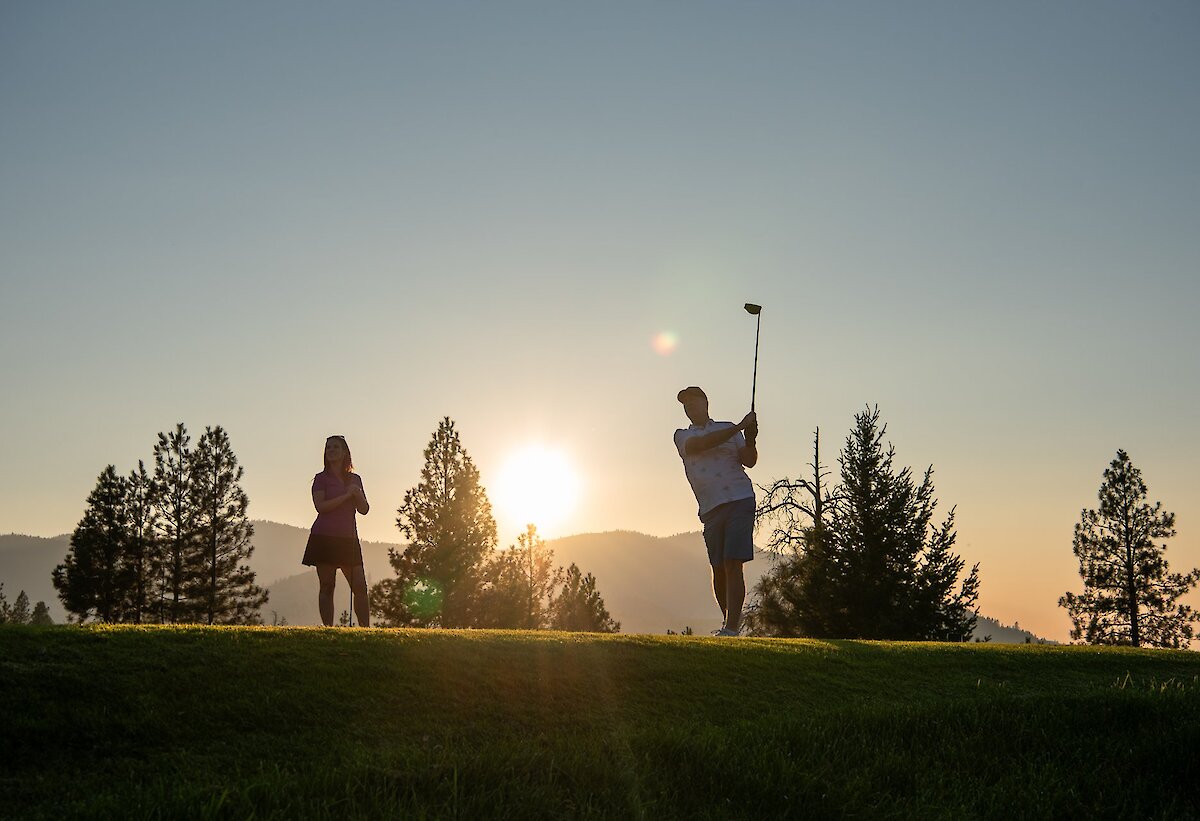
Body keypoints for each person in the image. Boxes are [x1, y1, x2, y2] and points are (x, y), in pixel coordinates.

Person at [673, 386, 758, 636]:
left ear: (706, 403)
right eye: (686, 406)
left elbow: (749, 460)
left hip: (740, 498)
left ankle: (732, 628)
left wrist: (750, 438)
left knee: (733, 562)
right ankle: (728, 624)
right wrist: (740, 427)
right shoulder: (682, 436)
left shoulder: (729, 428)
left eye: (694, 403)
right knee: (719, 568)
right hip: (710, 507)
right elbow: (701, 445)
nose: (690, 409)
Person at [302, 435, 371, 626]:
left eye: (335, 447)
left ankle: (366, 630)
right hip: (323, 537)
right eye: (328, 447)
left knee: (360, 586)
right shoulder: (320, 479)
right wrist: (346, 495)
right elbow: (321, 507)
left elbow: (364, 509)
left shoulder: (355, 479)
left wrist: (357, 495)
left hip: (348, 539)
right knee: (327, 586)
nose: (331, 450)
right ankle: (328, 629)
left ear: (344, 452)